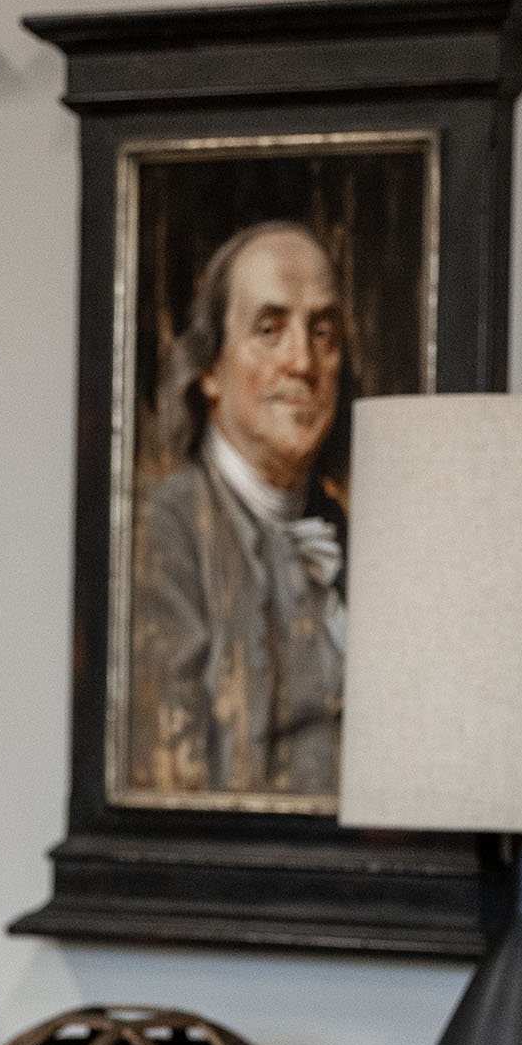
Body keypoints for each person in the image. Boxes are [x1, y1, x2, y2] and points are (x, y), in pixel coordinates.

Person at [126, 218, 357, 801]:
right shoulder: (161, 533)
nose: (302, 362)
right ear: (209, 368)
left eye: (323, 333)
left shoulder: (360, 538)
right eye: (270, 329)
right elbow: (171, 779)